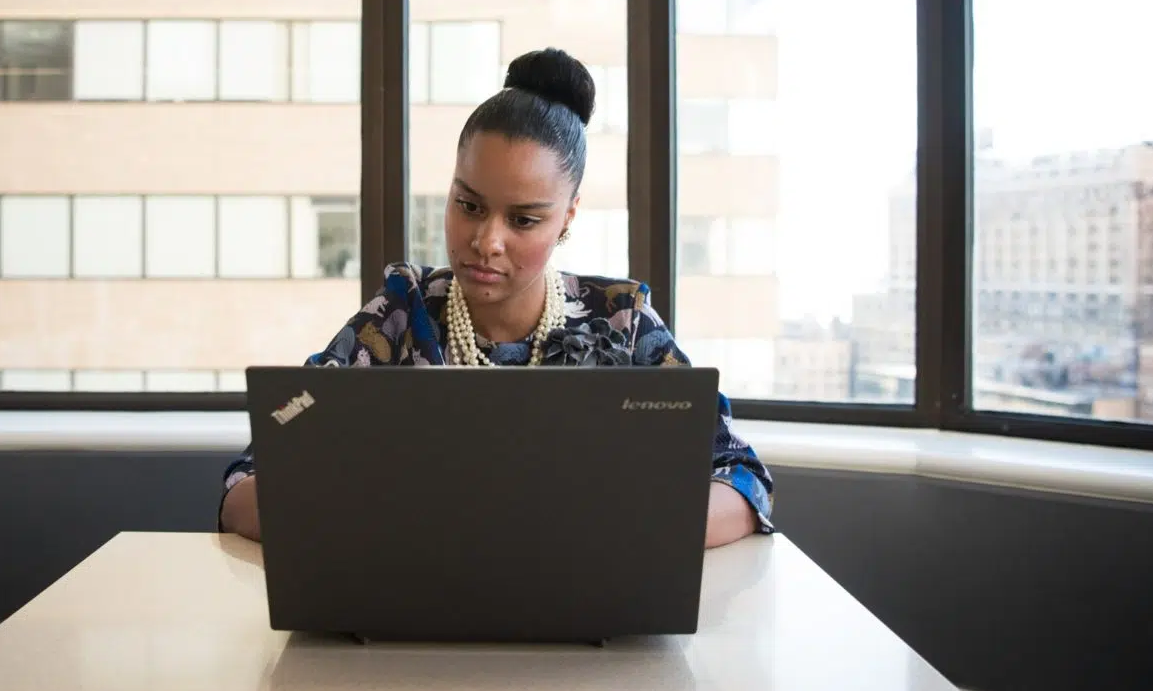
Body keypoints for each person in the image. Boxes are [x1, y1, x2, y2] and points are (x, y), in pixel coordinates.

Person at [219, 48, 774, 547]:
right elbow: (249, 479)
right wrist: (367, 521)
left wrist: (620, 528)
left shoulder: (622, 323)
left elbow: (742, 478)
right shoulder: (399, 315)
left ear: (568, 218)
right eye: (469, 206)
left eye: (524, 219)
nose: (487, 242)